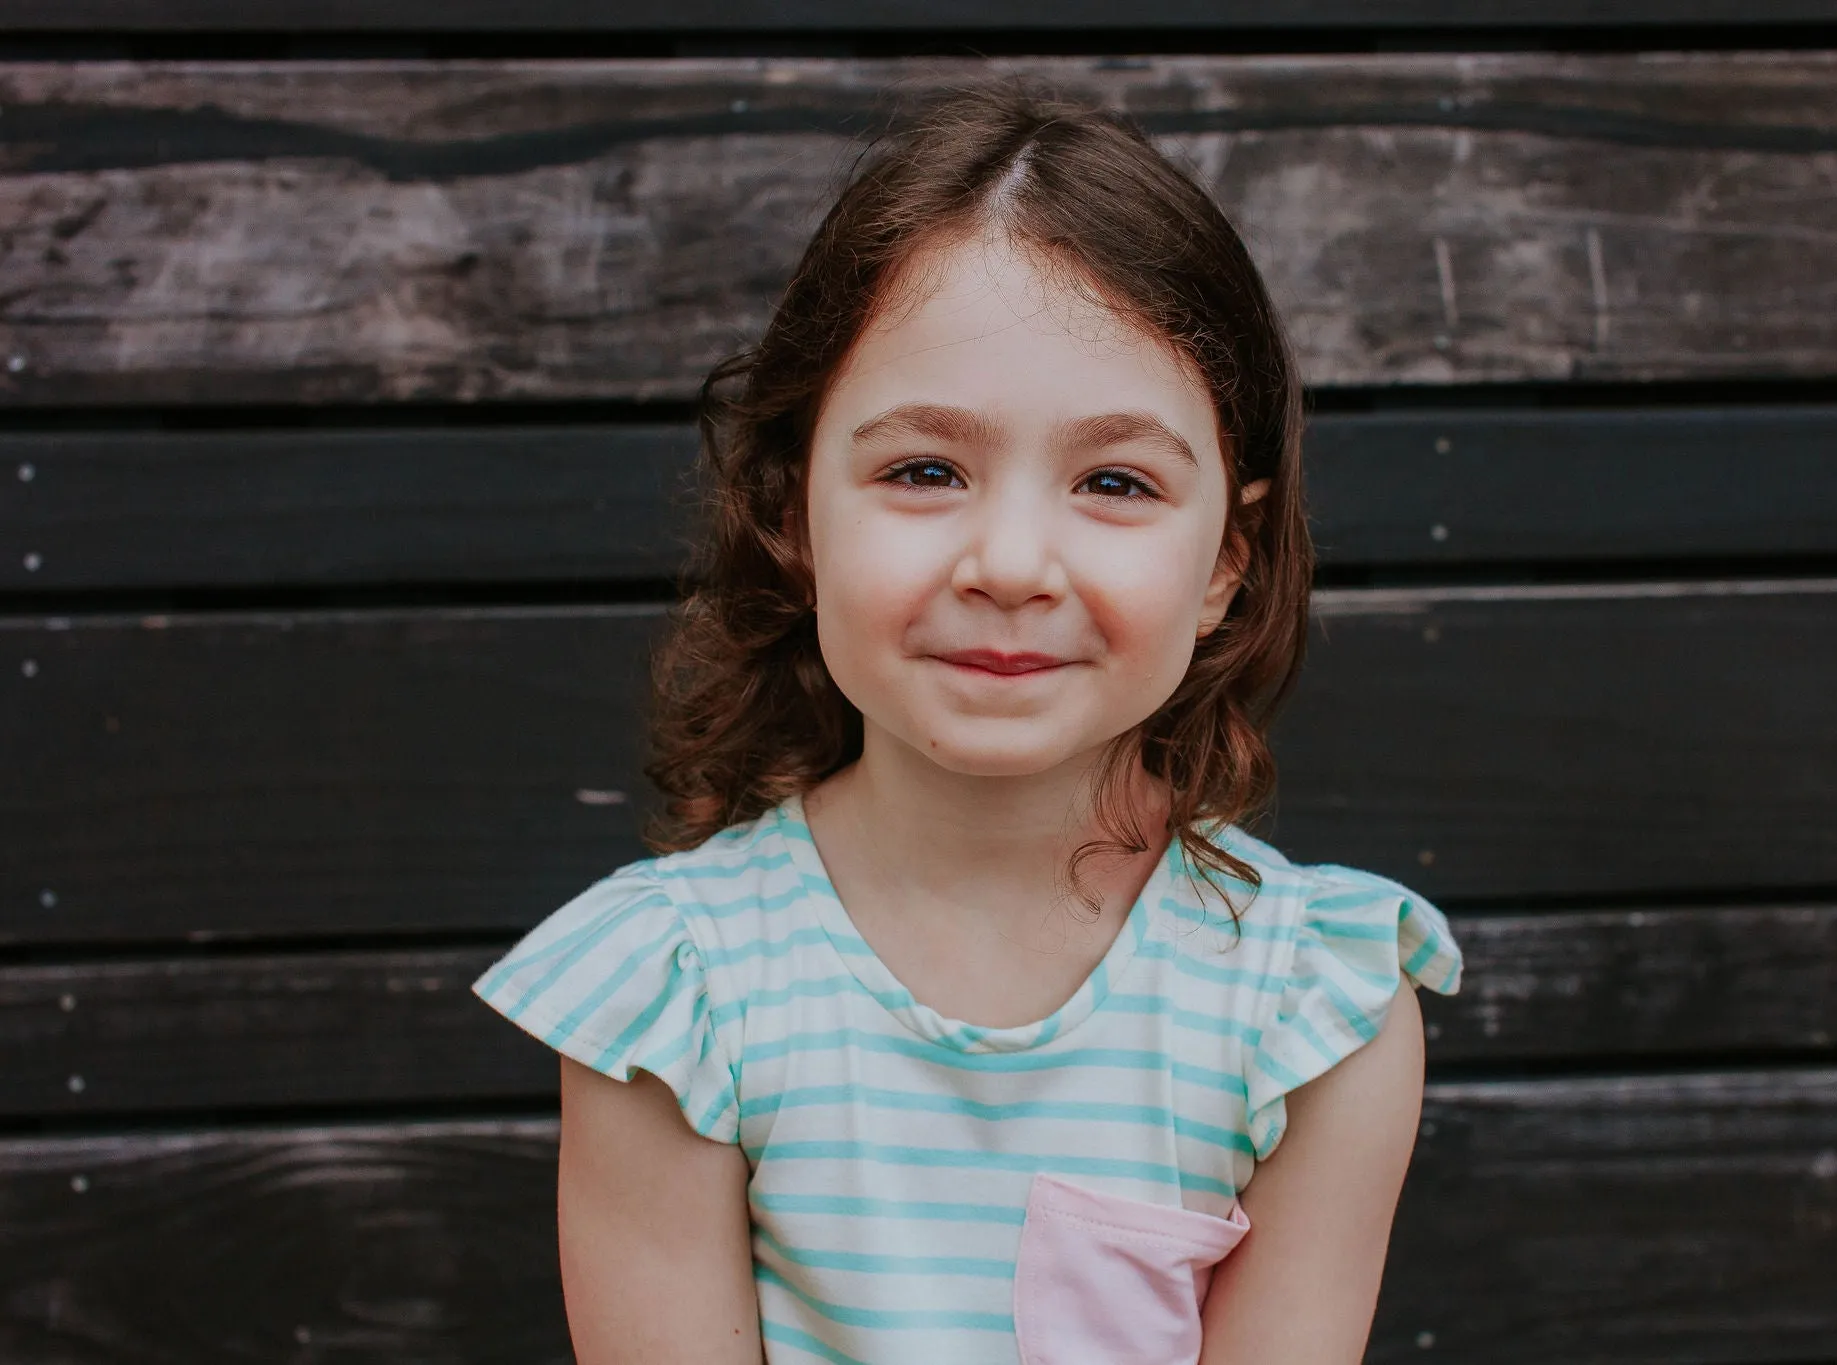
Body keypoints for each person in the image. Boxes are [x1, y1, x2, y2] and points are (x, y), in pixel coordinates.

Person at [472, 82, 1463, 1365]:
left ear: (1227, 557)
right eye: (922, 471)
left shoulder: (1310, 1008)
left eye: (1114, 481)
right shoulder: (673, 997)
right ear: (791, 515)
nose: (1008, 562)